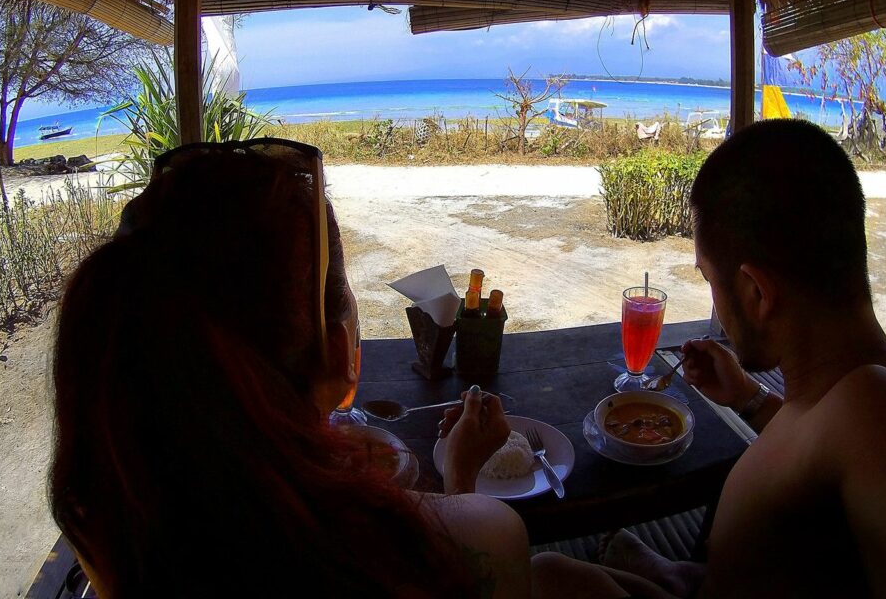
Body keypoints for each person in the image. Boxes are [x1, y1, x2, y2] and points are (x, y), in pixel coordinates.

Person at [534, 119, 886, 598]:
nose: (716, 302)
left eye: (710, 282)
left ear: (757, 292)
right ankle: (680, 576)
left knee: (547, 574)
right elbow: (819, 454)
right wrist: (747, 397)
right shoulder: (839, 396)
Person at [50, 139, 529, 598]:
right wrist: (461, 472)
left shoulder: (103, 520)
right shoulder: (471, 541)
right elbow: (468, 557)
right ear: (340, 355)